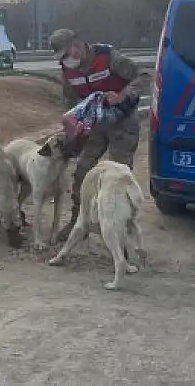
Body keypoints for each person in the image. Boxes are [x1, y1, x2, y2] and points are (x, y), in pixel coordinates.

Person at [49, 28, 150, 242]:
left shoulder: (108, 57)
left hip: (122, 121)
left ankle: (122, 232)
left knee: (117, 178)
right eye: (62, 58)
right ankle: (80, 222)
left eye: (68, 54)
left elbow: (143, 77)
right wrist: (74, 126)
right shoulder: (67, 72)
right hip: (95, 124)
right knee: (82, 173)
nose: (67, 61)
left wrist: (122, 95)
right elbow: (70, 101)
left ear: (77, 44)